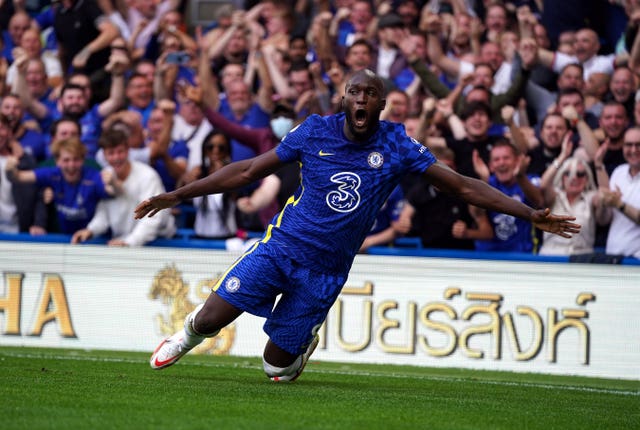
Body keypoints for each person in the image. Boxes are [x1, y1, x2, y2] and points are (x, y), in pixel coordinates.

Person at [134, 70, 580, 381]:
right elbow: (249, 170)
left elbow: (462, 186)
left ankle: (299, 342)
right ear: (344, 99)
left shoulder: (397, 144)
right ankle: (185, 334)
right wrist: (177, 195)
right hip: (280, 247)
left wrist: (528, 212)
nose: (362, 100)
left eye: (370, 94)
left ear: (381, 104)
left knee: (275, 367)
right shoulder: (314, 131)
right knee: (212, 319)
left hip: (326, 269)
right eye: (355, 92)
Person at [72, 128, 175, 246]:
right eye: (111, 153)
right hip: (123, 242)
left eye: (120, 151)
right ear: (104, 155)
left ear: (128, 151)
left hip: (160, 243)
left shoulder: (148, 176)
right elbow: (103, 214)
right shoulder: (104, 175)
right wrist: (90, 230)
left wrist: (130, 242)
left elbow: (152, 218)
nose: (116, 157)